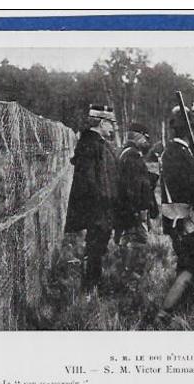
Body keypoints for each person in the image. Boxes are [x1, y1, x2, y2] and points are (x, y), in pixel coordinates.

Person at [156, 105, 194, 322]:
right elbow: (189, 186)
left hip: (179, 217)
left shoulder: (176, 151)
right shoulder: (178, 153)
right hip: (185, 218)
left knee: (186, 262)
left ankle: (185, 307)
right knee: (193, 264)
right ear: (186, 131)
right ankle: (164, 314)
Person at [64, 104, 119, 288]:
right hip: (97, 207)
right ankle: (89, 288)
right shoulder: (91, 145)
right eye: (111, 123)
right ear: (102, 123)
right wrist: (102, 201)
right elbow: (89, 180)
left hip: (101, 206)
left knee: (98, 246)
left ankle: (93, 285)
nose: (113, 128)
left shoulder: (96, 143)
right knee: (95, 247)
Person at [116, 123, 157, 272]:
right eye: (146, 138)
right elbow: (133, 187)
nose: (148, 142)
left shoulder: (125, 153)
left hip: (128, 209)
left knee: (127, 239)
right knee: (138, 241)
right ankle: (132, 276)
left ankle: (125, 271)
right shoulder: (132, 155)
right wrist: (139, 210)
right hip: (134, 211)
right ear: (138, 136)